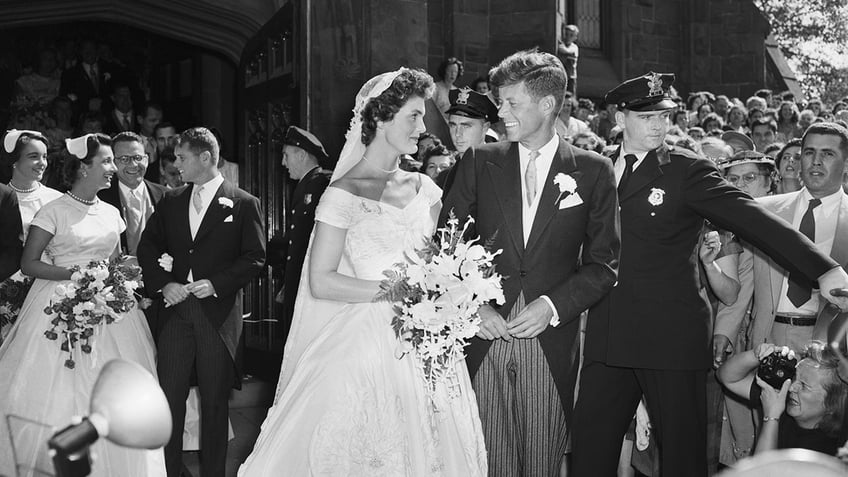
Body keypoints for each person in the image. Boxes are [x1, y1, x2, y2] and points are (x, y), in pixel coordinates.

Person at [571, 72, 848, 477]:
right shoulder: (594, 169)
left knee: (681, 459)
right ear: (620, 116)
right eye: (647, 116)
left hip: (668, 338)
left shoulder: (687, 170)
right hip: (607, 335)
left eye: (664, 116)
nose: (658, 125)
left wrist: (822, 268)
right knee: (590, 455)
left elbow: (754, 219)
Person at [239, 68, 487, 475]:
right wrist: (398, 290)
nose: (423, 127)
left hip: (427, 343)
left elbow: (442, 260)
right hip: (363, 344)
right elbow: (321, 280)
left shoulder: (425, 189)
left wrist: (450, 289)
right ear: (381, 118)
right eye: (413, 115)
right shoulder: (343, 193)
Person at [443, 49, 620, 476]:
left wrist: (552, 307)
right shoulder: (479, 161)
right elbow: (446, 246)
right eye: (500, 101)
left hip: (549, 342)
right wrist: (473, 306)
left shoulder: (594, 171)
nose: (500, 112)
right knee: (483, 462)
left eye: (510, 103)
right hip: (483, 338)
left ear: (546, 105)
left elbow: (603, 265)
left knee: (540, 462)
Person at [0, 133, 165, 477]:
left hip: (110, 312)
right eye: (106, 161)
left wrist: (130, 273)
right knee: (59, 386)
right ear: (82, 167)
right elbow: (29, 263)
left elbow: (117, 260)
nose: (112, 168)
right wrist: (76, 275)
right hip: (57, 303)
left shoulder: (110, 213)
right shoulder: (54, 211)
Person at [137, 127, 264, 477]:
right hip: (176, 312)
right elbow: (148, 248)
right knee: (169, 399)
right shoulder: (171, 200)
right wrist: (165, 285)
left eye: (182, 158)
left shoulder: (243, 203)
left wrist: (217, 283)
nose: (176, 165)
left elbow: (255, 257)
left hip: (218, 317)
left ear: (205, 158)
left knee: (214, 402)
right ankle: (169, 471)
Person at [745, 124, 848, 353]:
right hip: (767, 338)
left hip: (832, 344)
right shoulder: (764, 211)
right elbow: (743, 284)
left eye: (828, 154)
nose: (816, 161)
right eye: (809, 152)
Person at [717, 342, 848, 455]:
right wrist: (757, 354)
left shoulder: (830, 450)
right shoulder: (785, 399)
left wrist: (771, 417)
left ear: (833, 403)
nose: (791, 388)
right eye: (795, 378)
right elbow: (727, 377)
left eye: (804, 386)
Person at [267, 126, 331, 342]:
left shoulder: (320, 184)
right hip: (299, 279)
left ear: (301, 154)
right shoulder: (305, 185)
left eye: (286, 155)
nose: (283, 163)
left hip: (310, 281)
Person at [1, 130, 63, 341]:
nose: (42, 163)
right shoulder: (3, 198)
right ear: (14, 161)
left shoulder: (57, 199)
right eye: (33, 156)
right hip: (9, 287)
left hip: (49, 287)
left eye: (45, 157)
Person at [556, 24, 579, 95]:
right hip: (561, 76)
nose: (568, 37)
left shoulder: (574, 47)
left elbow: (566, 51)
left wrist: (559, 44)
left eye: (571, 35)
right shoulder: (562, 44)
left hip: (570, 77)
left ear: (575, 37)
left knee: (570, 96)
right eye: (566, 34)